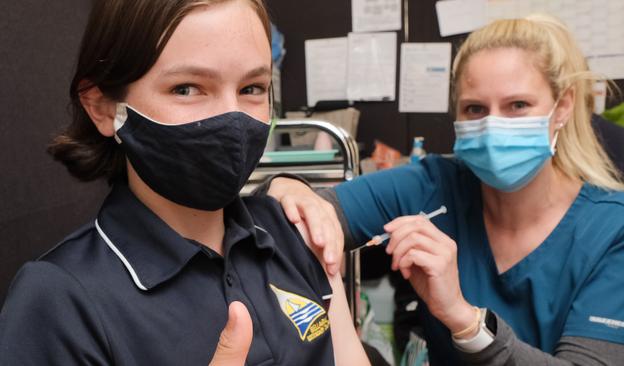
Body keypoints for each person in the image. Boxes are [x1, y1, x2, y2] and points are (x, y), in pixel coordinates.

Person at [263, 14, 624, 365]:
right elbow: (299, 218)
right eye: (475, 110)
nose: (493, 126)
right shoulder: (433, 185)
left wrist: (464, 320)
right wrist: (285, 187)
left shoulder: (621, 229)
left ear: (562, 108)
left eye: (517, 105)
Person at [0, 1, 367, 365]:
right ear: (104, 107)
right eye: (187, 88)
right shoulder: (60, 300)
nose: (232, 117)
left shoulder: (293, 233)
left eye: (253, 88)